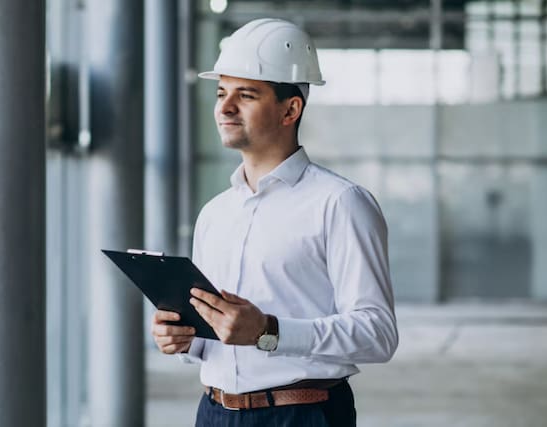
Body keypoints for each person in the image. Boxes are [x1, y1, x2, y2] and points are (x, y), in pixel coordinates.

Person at [150, 18, 398, 426]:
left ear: (290, 109)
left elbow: (378, 334)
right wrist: (183, 338)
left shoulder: (340, 204)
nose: (225, 107)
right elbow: (215, 338)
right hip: (213, 412)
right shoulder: (214, 213)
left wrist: (269, 330)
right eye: (221, 93)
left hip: (301, 414)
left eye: (246, 95)